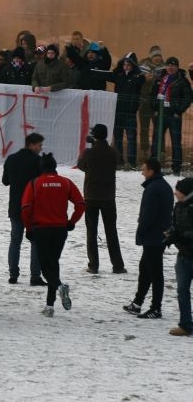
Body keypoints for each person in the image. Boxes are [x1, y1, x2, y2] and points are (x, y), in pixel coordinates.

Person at [20, 154, 85, 317]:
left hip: (41, 229)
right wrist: (71, 222)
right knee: (53, 264)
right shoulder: (66, 182)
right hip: (60, 229)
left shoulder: (34, 183)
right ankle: (50, 306)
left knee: (45, 268)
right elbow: (80, 204)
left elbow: (26, 208)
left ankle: (59, 286)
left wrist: (28, 228)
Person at [124, 159, 174, 319]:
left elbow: (148, 214)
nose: (142, 172)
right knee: (145, 269)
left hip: (153, 236)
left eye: (144, 169)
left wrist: (141, 230)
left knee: (154, 272)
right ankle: (138, 303)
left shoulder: (153, 189)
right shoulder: (162, 186)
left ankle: (156, 308)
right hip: (159, 234)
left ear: (151, 171)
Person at [77, 124, 127, 274]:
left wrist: (92, 146)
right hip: (108, 197)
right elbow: (120, 161)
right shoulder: (112, 152)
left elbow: (81, 166)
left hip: (91, 196)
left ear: (94, 136)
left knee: (91, 231)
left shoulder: (88, 152)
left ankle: (93, 265)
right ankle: (117, 265)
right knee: (111, 231)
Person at [2, 133, 46, 286]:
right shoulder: (38, 162)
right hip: (33, 207)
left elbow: (5, 181)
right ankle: (35, 276)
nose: (41, 149)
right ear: (32, 144)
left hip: (15, 207)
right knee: (35, 241)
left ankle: (13, 274)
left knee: (15, 240)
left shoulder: (11, 159)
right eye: (39, 145)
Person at [151, 57, 192, 175]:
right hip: (161, 114)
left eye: (173, 65)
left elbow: (188, 97)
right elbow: (152, 94)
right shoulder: (160, 79)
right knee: (156, 141)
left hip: (174, 116)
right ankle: (154, 167)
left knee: (176, 143)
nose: (170, 67)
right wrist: (155, 108)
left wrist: (178, 111)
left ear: (177, 67)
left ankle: (176, 169)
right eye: (168, 65)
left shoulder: (182, 81)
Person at [164, 177, 193, 336]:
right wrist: (171, 235)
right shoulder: (178, 207)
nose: (175, 193)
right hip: (183, 256)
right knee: (182, 290)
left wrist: (181, 237)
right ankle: (186, 325)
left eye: (178, 190)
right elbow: (175, 225)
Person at [138, 46, 166, 160]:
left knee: (159, 127)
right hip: (144, 101)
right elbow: (137, 81)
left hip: (157, 103)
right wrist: (145, 79)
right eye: (155, 56)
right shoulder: (142, 66)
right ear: (151, 56)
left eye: (159, 56)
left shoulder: (165, 67)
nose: (157, 58)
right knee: (144, 127)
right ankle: (145, 149)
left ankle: (160, 150)